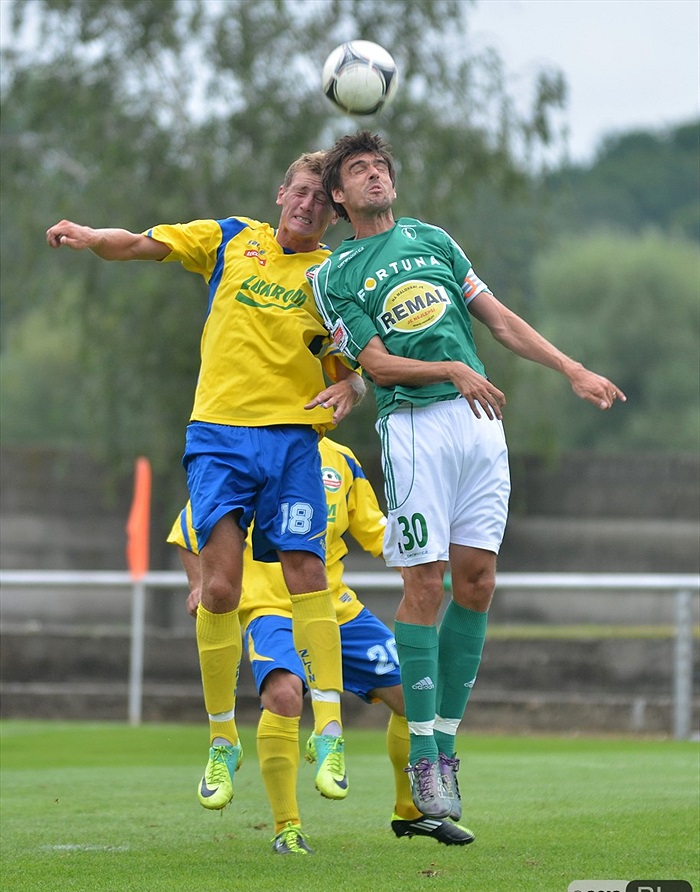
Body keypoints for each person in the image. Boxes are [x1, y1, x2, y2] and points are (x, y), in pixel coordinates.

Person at [309, 130, 627, 821]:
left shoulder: (434, 240)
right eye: (358, 170)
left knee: (477, 582)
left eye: (380, 166)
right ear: (338, 194)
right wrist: (453, 368)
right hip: (414, 426)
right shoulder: (334, 273)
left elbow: (501, 321)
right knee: (425, 583)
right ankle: (422, 756)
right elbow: (375, 365)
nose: (374, 176)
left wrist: (571, 368)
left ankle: (446, 746)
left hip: (480, 422)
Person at [46, 152, 365, 811]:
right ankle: (223, 738)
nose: (309, 205)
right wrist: (91, 236)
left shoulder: (332, 276)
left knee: (308, 572)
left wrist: (353, 391)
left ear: (334, 217)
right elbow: (141, 244)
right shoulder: (231, 238)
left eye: (323, 201)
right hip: (218, 437)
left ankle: (330, 730)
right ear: (281, 193)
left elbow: (354, 369)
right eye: (302, 192)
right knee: (219, 589)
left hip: (292, 440)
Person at [168, 436, 475, 853]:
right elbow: (189, 528)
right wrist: (199, 584)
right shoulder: (251, 450)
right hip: (271, 610)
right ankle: (287, 827)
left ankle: (410, 811)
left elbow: (375, 530)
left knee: (416, 693)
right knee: (283, 695)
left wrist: (420, 565)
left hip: (336, 610)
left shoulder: (342, 460)